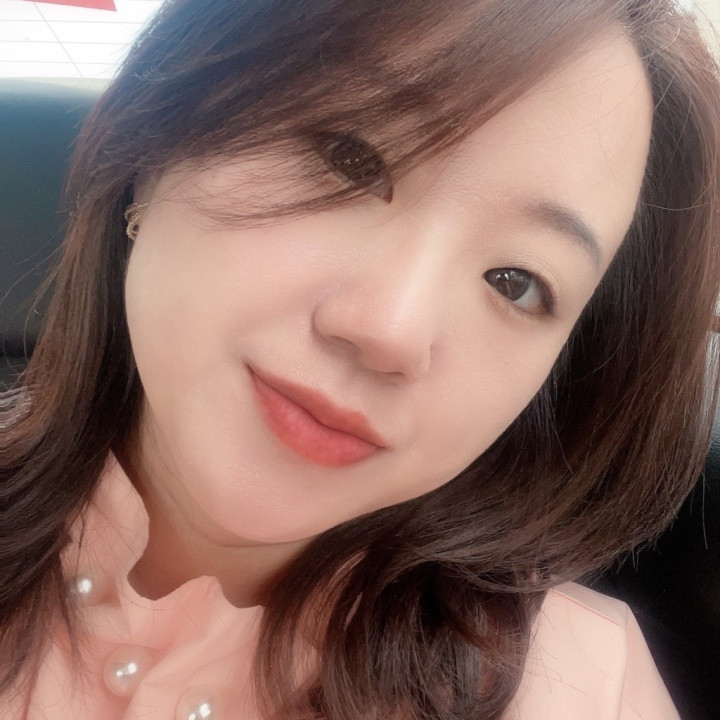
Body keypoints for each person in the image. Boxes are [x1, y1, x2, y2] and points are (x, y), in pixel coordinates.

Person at [2, 0, 719, 717]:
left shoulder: (584, 690)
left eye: (517, 282)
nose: (392, 330)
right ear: (157, 146)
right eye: (347, 157)